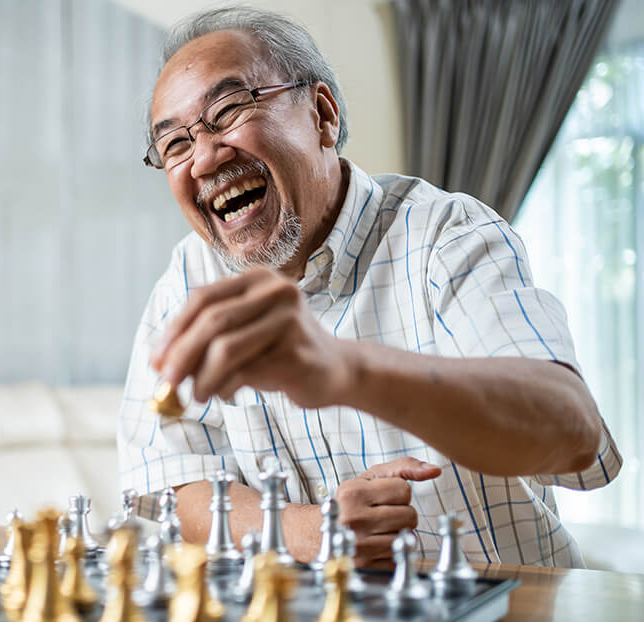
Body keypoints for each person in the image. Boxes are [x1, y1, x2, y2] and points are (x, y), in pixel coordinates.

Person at [117, 6, 622, 568]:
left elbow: (572, 428)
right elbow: (174, 480)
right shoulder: (188, 277)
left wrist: (345, 370)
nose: (206, 158)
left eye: (229, 110)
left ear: (323, 116)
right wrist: (306, 531)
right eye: (175, 145)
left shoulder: (446, 235)